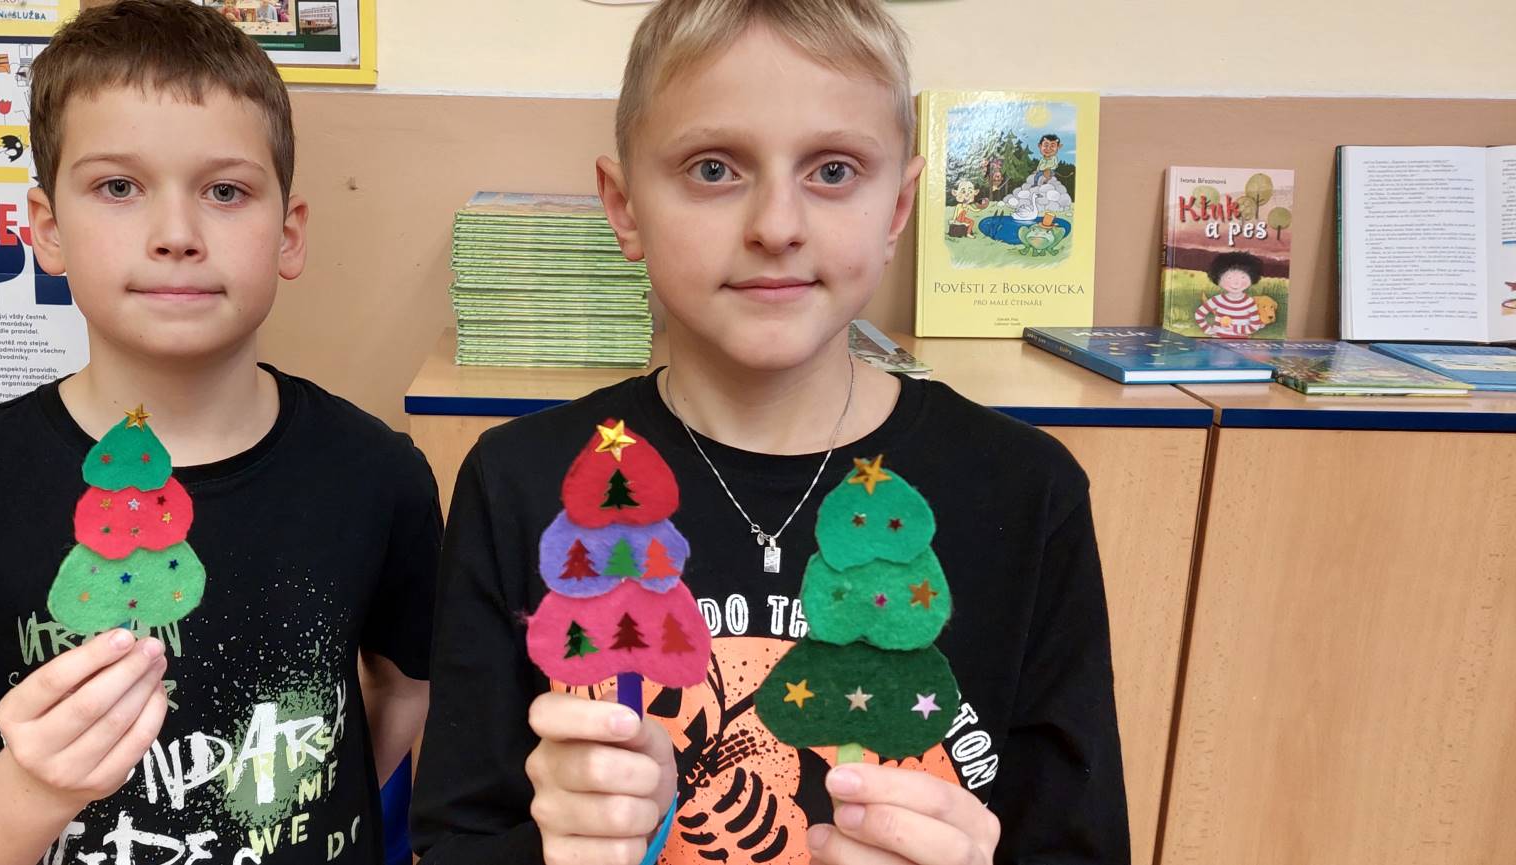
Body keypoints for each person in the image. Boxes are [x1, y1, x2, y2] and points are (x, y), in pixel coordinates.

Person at [410, 0, 1128, 862]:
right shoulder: (518, 483)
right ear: (625, 206)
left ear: (898, 207)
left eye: (833, 170)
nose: (777, 226)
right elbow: (451, 839)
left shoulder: (1027, 494)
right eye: (714, 168)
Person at [0, 3, 438, 862]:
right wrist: (34, 789)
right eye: (118, 188)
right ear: (48, 229)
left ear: (289, 235)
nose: (176, 236)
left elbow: (404, 687)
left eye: (225, 192)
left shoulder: (378, 475)